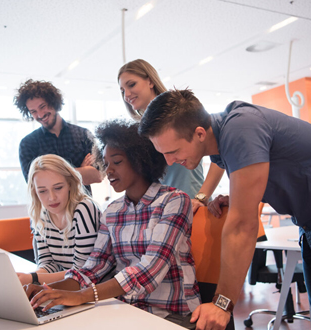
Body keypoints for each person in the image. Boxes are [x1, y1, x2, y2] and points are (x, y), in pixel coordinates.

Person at [138, 88, 311, 329]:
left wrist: (222, 304)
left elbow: (242, 225)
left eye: (173, 151)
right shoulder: (223, 146)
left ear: (199, 133)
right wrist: (239, 198)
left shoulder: (241, 128)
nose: (169, 162)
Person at [25, 120, 201, 328]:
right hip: (126, 312)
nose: (108, 171)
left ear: (140, 160)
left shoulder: (174, 201)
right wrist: (47, 289)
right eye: (106, 163)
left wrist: (82, 296)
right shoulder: (113, 211)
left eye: (116, 162)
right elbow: (93, 268)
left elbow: (149, 270)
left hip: (173, 316)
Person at [118, 59, 224, 208]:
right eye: (122, 90)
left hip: (193, 202)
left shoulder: (180, 112)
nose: (126, 94)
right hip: (165, 208)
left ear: (150, 81)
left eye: (131, 84)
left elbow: (219, 152)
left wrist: (201, 197)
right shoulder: (140, 132)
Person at [17, 154, 102, 286]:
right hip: (68, 287)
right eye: (42, 191)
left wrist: (33, 279)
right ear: (35, 192)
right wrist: (28, 279)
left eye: (58, 188)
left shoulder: (84, 209)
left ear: (70, 183)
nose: (51, 198)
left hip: (94, 290)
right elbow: (48, 264)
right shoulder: (39, 215)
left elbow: (83, 272)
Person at [14, 79, 102, 193]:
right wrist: (81, 171)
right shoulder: (28, 144)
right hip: (50, 210)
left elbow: (98, 175)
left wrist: (52, 177)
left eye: (42, 106)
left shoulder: (84, 135)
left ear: (53, 102)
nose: (40, 114)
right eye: (33, 111)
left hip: (84, 207)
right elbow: (34, 185)